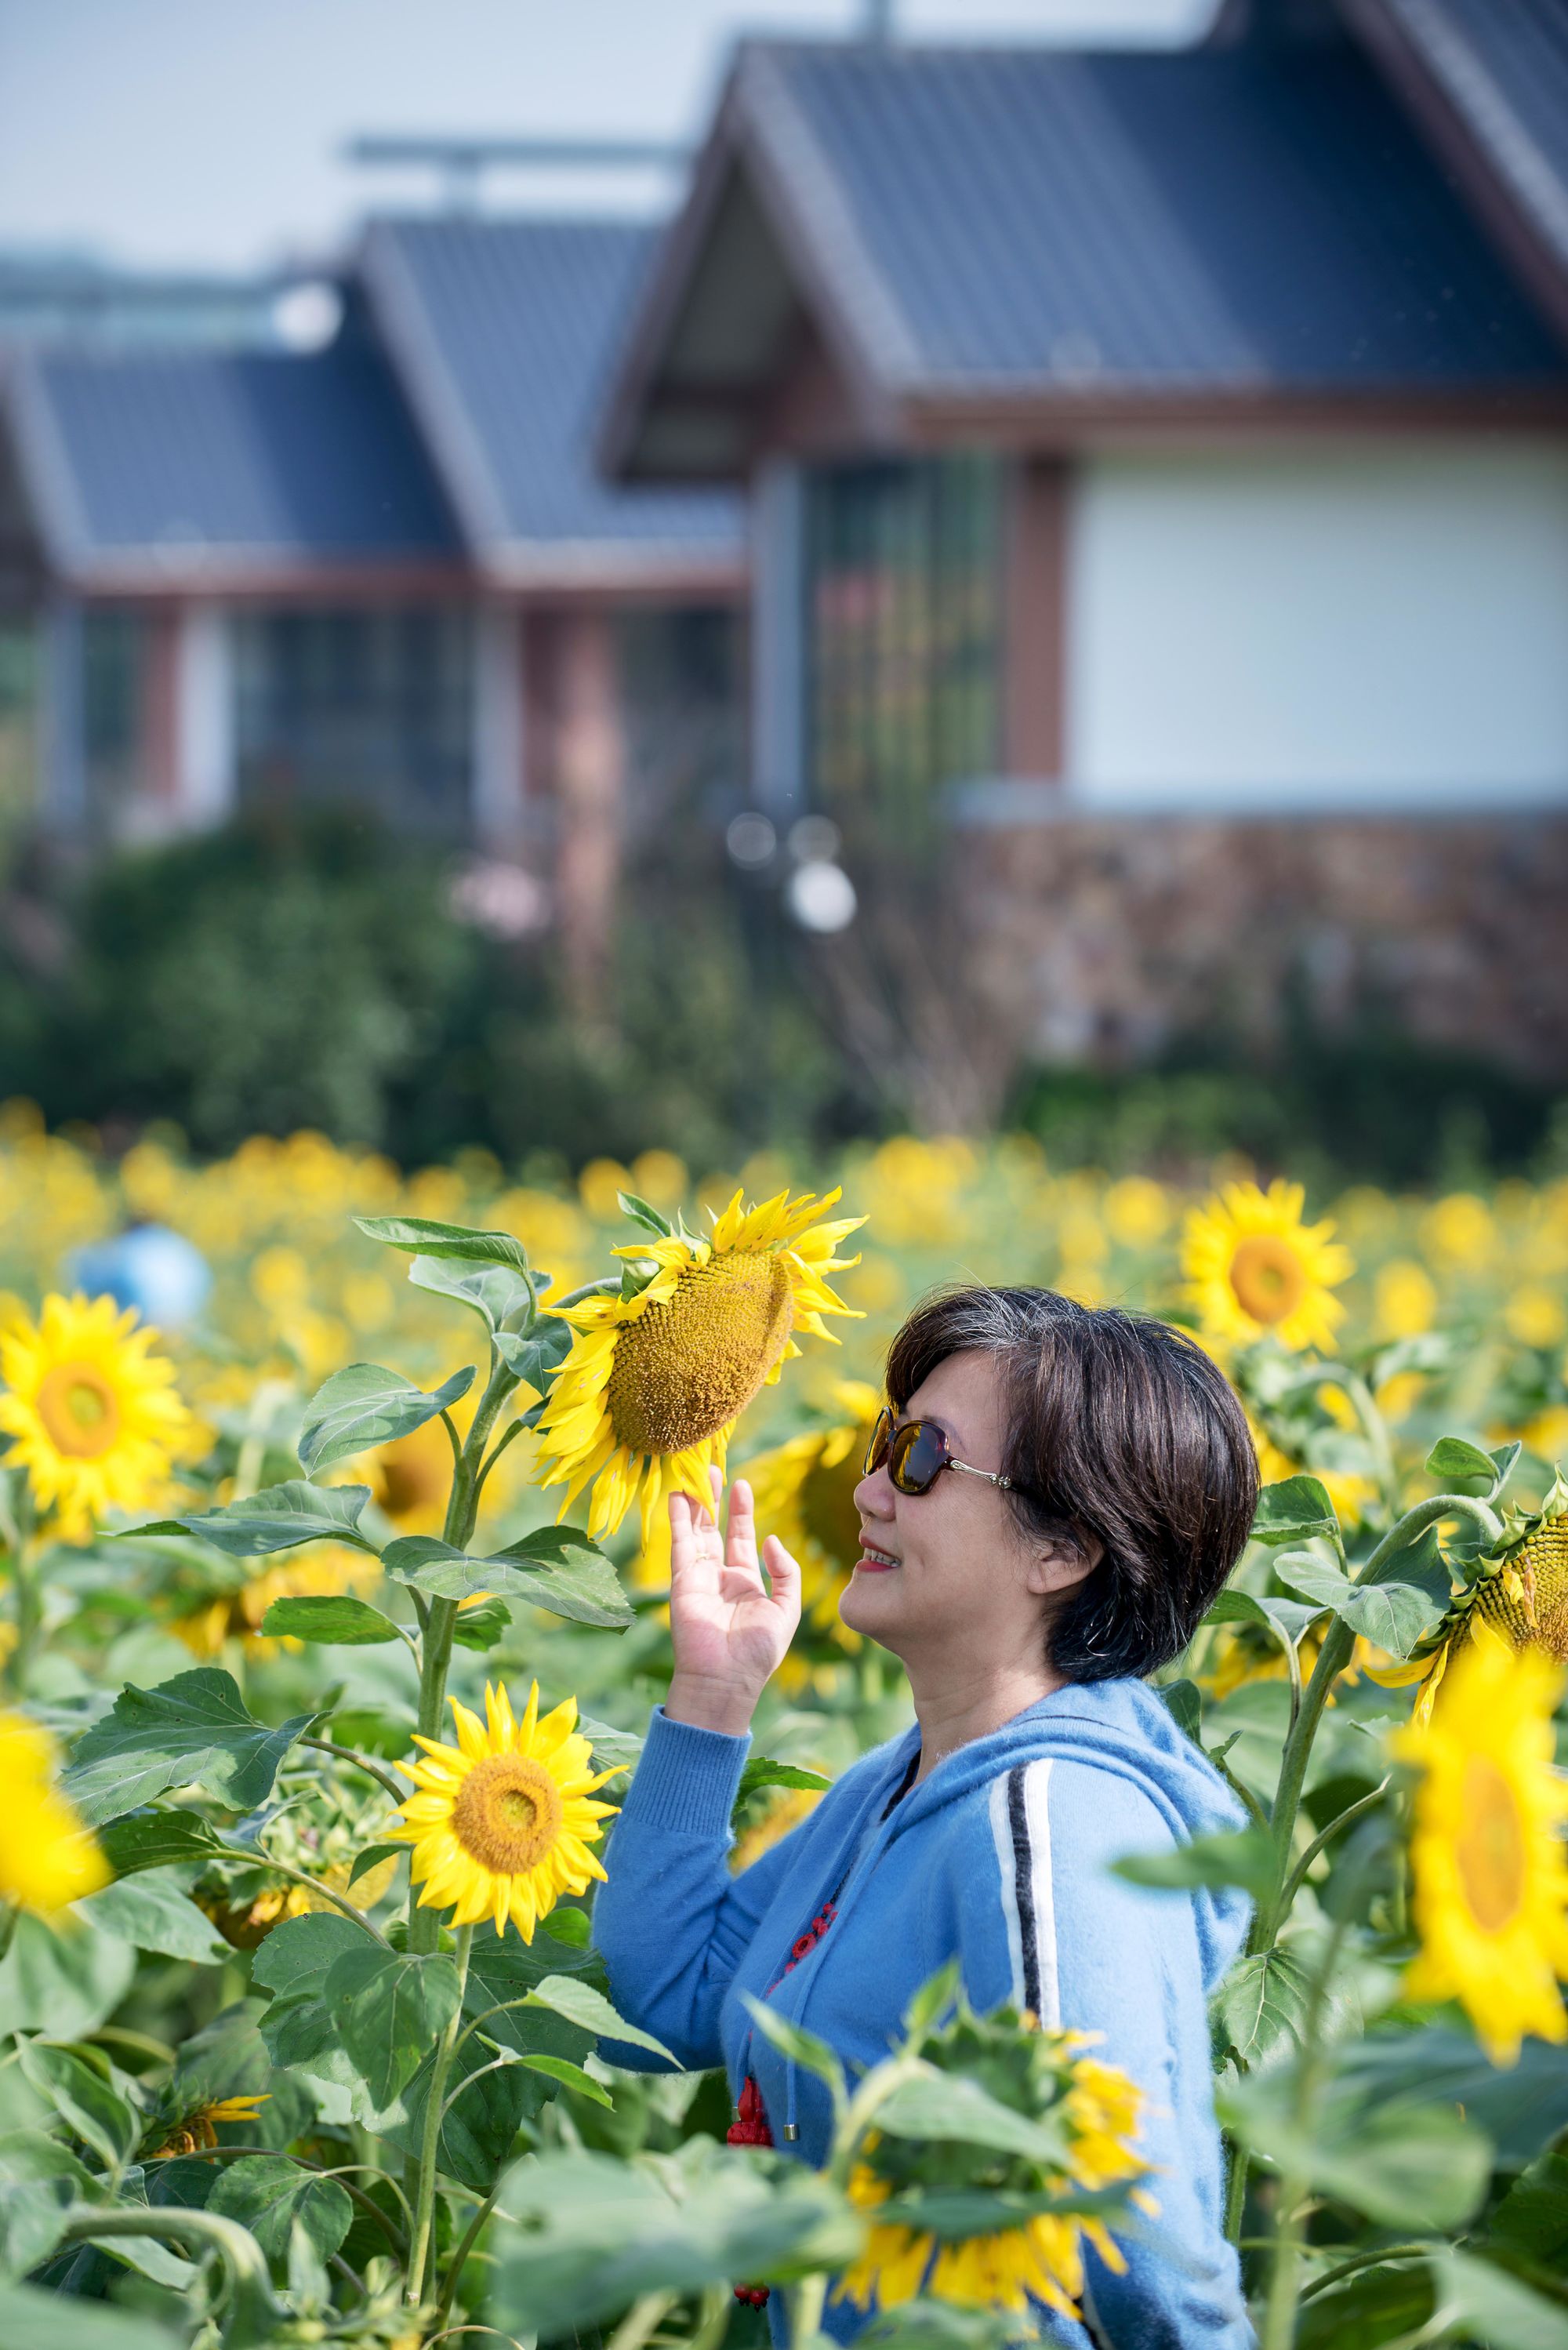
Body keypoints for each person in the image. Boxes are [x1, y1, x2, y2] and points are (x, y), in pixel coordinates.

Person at [593, 1286, 1259, 2347]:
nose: (867, 1490)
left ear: (1064, 1548)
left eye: (923, 1460)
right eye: (883, 1442)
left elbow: (1139, 2238)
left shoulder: (1048, 1821)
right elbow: (661, 1994)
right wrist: (711, 1696)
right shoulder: (899, 1784)